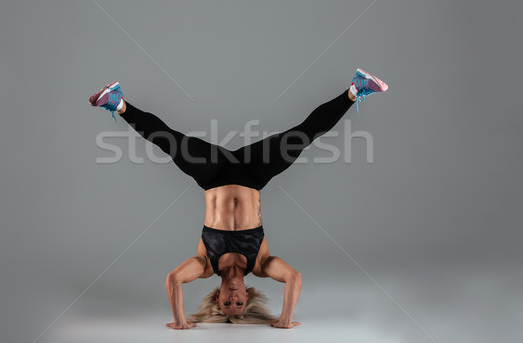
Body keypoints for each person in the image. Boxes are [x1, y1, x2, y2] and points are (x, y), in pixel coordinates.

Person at [88, 69, 388, 329]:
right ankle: (355, 88)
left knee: (167, 140)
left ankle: (118, 102)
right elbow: (294, 278)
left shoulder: (205, 265)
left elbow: (173, 279)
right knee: (304, 135)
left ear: (216, 298)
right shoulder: (262, 263)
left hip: (212, 175)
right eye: (239, 305)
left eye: (227, 304)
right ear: (248, 297)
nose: (233, 299)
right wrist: (285, 319)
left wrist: (180, 321)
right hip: (254, 175)